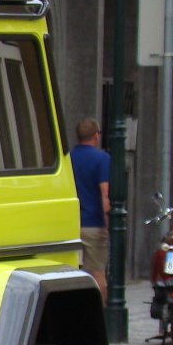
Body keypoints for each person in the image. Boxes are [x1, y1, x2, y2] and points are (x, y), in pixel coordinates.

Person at [70, 118, 110, 296]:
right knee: (97, 274)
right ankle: (100, 316)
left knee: (71, 275)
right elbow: (105, 194)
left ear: (77, 136)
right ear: (96, 136)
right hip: (94, 223)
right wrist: (107, 226)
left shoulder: (66, 158)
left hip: (70, 225)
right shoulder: (102, 159)